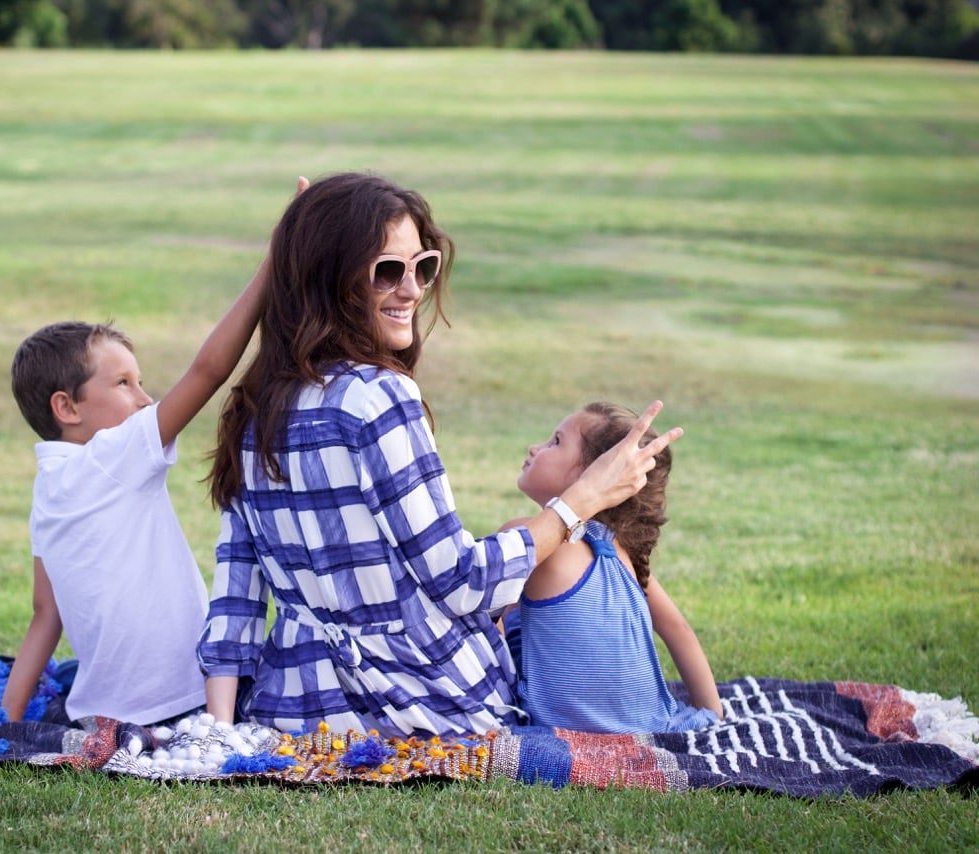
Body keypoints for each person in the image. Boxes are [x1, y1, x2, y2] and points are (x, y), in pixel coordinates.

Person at [196, 172, 683, 737]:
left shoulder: (252, 412)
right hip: (430, 707)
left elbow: (235, 601)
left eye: (422, 266)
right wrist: (581, 501)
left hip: (297, 715)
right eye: (387, 271)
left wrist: (219, 734)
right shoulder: (380, 398)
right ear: (328, 280)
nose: (412, 290)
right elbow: (461, 581)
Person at [0, 180, 305, 725]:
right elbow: (209, 370)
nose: (145, 400)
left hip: (99, 714)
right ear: (67, 407)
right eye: (124, 384)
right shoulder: (112, 457)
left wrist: (7, 721)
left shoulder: (49, 488)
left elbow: (45, 615)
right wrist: (271, 263)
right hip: (182, 702)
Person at [503, 401, 722, 733]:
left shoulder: (522, 537)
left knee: (508, 612)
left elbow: (482, 624)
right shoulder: (619, 552)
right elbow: (678, 629)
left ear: (596, 474)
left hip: (562, 730)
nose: (535, 448)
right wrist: (712, 716)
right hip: (652, 726)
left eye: (555, 442)